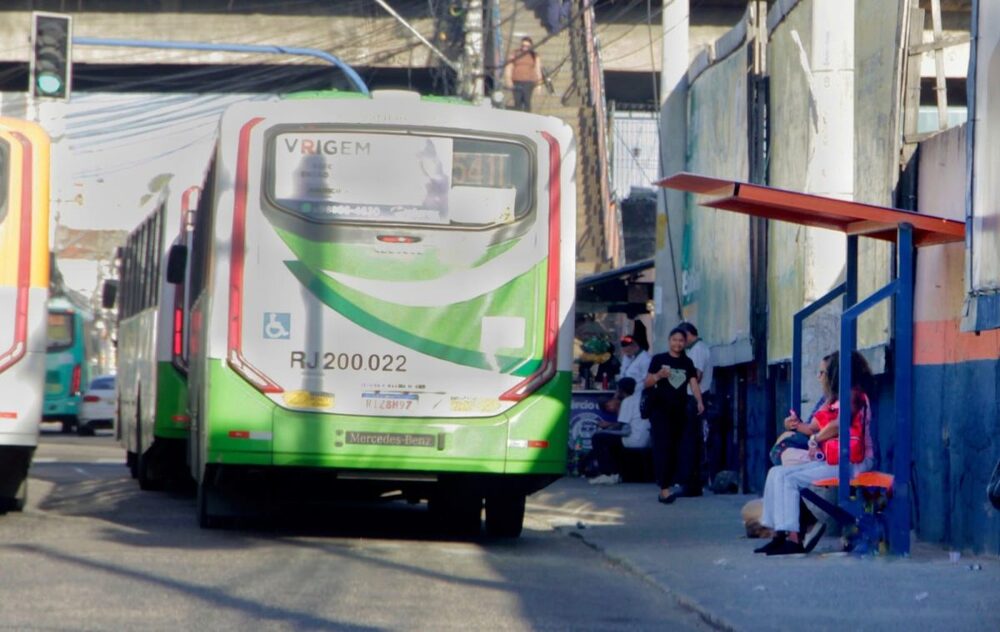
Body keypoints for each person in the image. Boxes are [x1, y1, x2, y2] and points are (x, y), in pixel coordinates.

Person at [755, 351, 874, 555]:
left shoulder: (855, 396)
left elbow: (838, 425)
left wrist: (816, 439)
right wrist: (795, 425)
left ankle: (794, 539)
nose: (819, 377)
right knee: (777, 473)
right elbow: (812, 427)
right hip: (832, 458)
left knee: (789, 479)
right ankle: (779, 534)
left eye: (822, 373)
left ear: (834, 374)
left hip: (853, 462)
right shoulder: (831, 400)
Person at [644, 327, 705, 504]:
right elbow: (646, 383)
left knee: (676, 449)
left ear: (685, 343)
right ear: (669, 341)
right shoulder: (659, 359)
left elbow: (694, 383)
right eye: (674, 340)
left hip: (679, 412)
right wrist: (658, 376)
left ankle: (669, 484)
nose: (677, 343)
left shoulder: (687, 363)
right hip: (660, 411)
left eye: (681, 340)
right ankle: (664, 489)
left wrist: (699, 401)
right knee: (662, 448)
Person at [589, 377, 651, 485]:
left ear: (620, 390)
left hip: (632, 439)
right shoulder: (641, 398)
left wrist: (605, 429)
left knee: (598, 438)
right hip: (645, 438)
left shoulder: (628, 401)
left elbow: (623, 428)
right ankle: (616, 472)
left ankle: (608, 474)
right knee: (608, 439)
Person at [677, 322, 715, 484]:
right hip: (693, 396)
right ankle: (689, 479)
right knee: (690, 440)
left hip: (695, 397)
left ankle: (691, 481)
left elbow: (696, 376)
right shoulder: (696, 349)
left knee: (690, 440)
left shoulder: (698, 350)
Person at [503, 37, 543, 112]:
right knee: (517, 102)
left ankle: (528, 118)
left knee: (527, 101)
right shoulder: (515, 53)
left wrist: (539, 84)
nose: (525, 48)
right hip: (516, 81)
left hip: (529, 82)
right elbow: (509, 67)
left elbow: (538, 70)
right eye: (523, 45)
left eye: (527, 46)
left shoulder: (534, 55)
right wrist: (508, 80)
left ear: (531, 46)